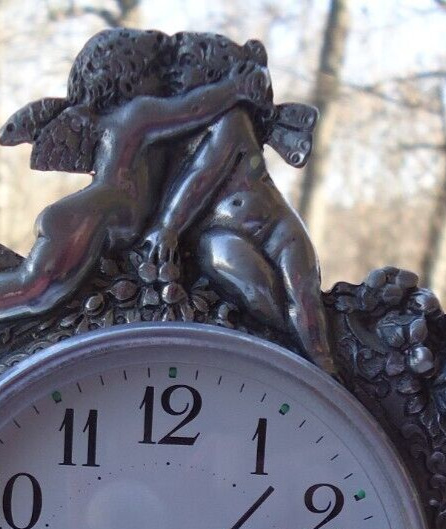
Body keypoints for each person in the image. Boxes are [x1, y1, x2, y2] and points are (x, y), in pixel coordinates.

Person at [0, 29, 271, 353]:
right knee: (38, 289)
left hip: (101, 214)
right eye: (155, 70)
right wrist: (235, 88)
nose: (165, 78)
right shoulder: (138, 112)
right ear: (131, 77)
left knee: (38, 288)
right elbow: (193, 109)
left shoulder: (113, 120)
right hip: (96, 214)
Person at [140, 32, 334, 372]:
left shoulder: (231, 120)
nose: (176, 75)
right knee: (256, 291)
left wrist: (168, 227)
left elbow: (203, 175)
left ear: (210, 73)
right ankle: (289, 360)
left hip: (278, 227)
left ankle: (325, 370)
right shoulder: (178, 125)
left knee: (305, 300)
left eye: (186, 65)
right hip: (224, 234)